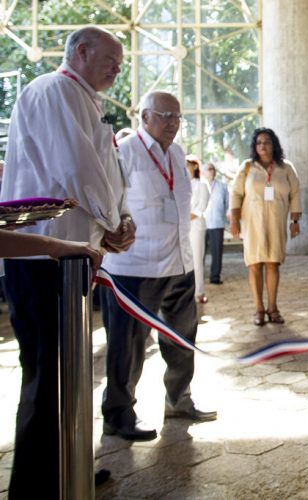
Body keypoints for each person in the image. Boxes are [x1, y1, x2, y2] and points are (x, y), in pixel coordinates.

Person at [0, 26, 135, 498]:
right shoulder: (54, 89)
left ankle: (68, 462)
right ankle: (35, 486)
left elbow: (108, 174)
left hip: (76, 256)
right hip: (42, 254)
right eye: (111, 58)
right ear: (80, 51)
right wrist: (112, 222)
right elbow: (74, 169)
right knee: (47, 373)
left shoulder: (85, 101)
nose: (118, 67)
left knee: (72, 369)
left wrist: (122, 220)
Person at [101, 90, 217, 443]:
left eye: (177, 118)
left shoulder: (177, 154)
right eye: (165, 116)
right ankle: (118, 414)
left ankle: (178, 400)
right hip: (135, 267)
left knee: (182, 338)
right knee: (129, 345)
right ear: (145, 117)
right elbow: (107, 202)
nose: (172, 124)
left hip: (178, 264)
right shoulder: (125, 153)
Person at [229, 127, 301, 326]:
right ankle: (259, 309)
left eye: (266, 142)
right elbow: (235, 194)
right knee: (254, 264)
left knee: (273, 263)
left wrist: (295, 221)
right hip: (252, 224)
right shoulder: (247, 167)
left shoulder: (285, 168)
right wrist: (234, 220)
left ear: (274, 145)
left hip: (276, 222)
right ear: (254, 146)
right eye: (259, 142)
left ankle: (273, 307)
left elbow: (295, 193)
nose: (262, 146)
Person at [186, 155, 210, 303]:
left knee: (196, 260)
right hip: (184, 228)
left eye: (187, 164)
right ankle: (187, 292)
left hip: (196, 227)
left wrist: (186, 218)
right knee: (185, 261)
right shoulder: (183, 184)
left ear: (195, 166)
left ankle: (199, 292)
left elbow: (201, 207)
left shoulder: (202, 184)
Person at [204, 162, 229, 284]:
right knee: (199, 252)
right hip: (202, 223)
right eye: (209, 169)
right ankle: (199, 276)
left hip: (217, 223)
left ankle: (215, 277)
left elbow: (227, 204)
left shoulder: (222, 186)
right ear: (203, 172)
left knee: (217, 252)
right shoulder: (199, 185)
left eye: (213, 169)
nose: (212, 171)